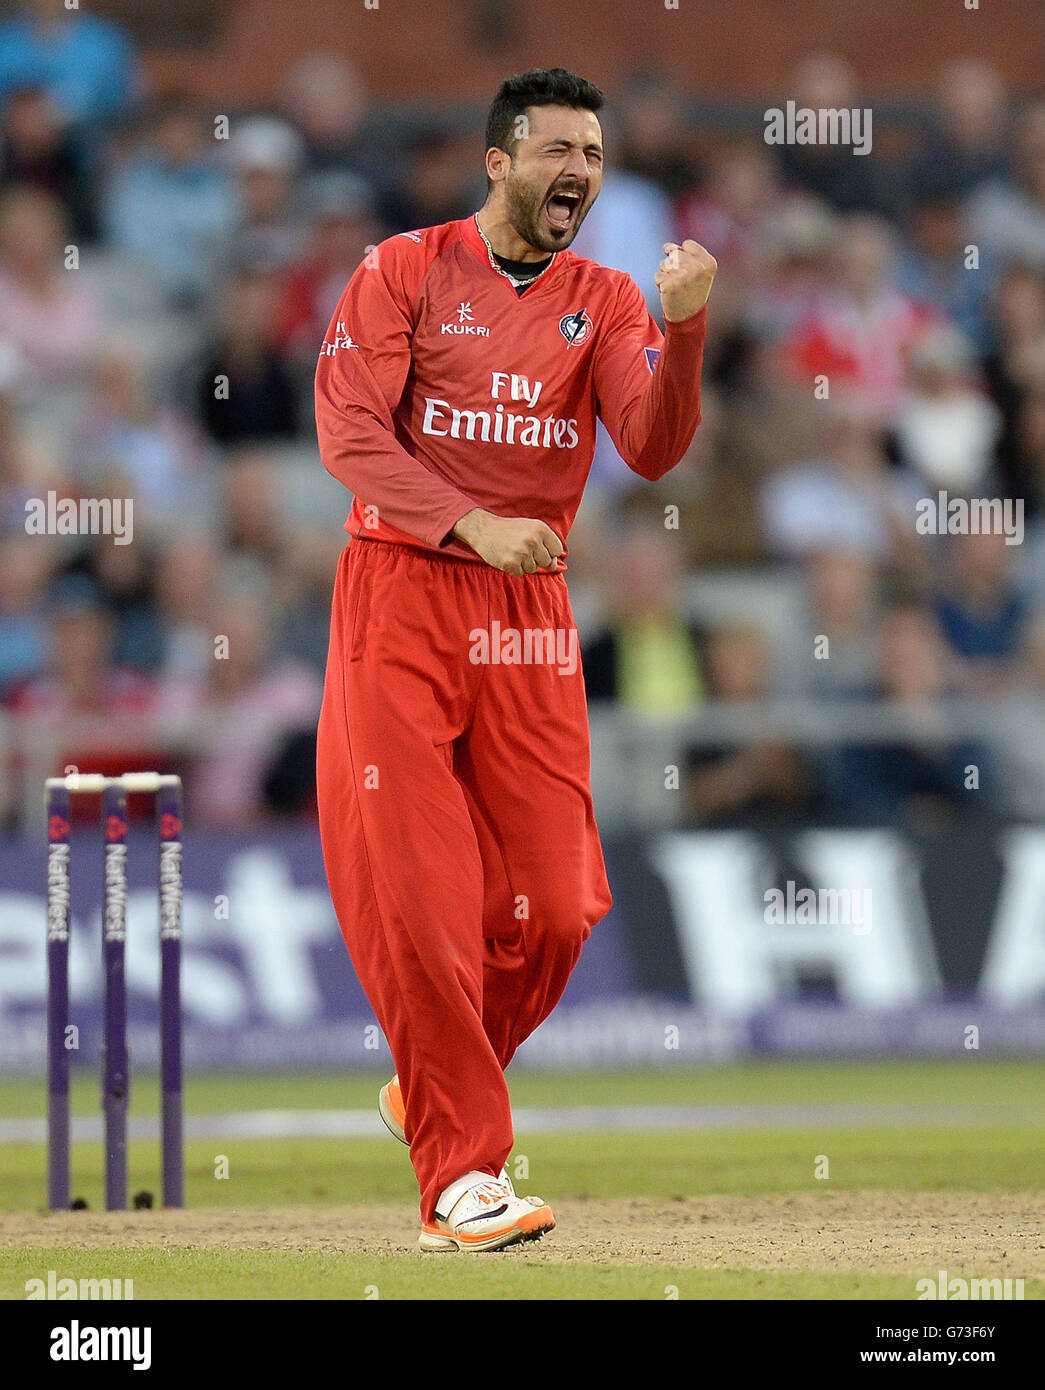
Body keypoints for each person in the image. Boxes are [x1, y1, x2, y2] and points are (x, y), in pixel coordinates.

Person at [313, 68, 715, 1251]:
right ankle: (459, 1180)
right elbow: (347, 431)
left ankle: (437, 1079)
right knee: (427, 902)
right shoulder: (402, 268)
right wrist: (468, 522)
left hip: (528, 615)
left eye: (591, 154)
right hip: (400, 596)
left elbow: (649, 444)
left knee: (558, 905)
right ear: (498, 163)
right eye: (555, 152)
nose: (577, 172)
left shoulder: (605, 295)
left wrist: (683, 331)